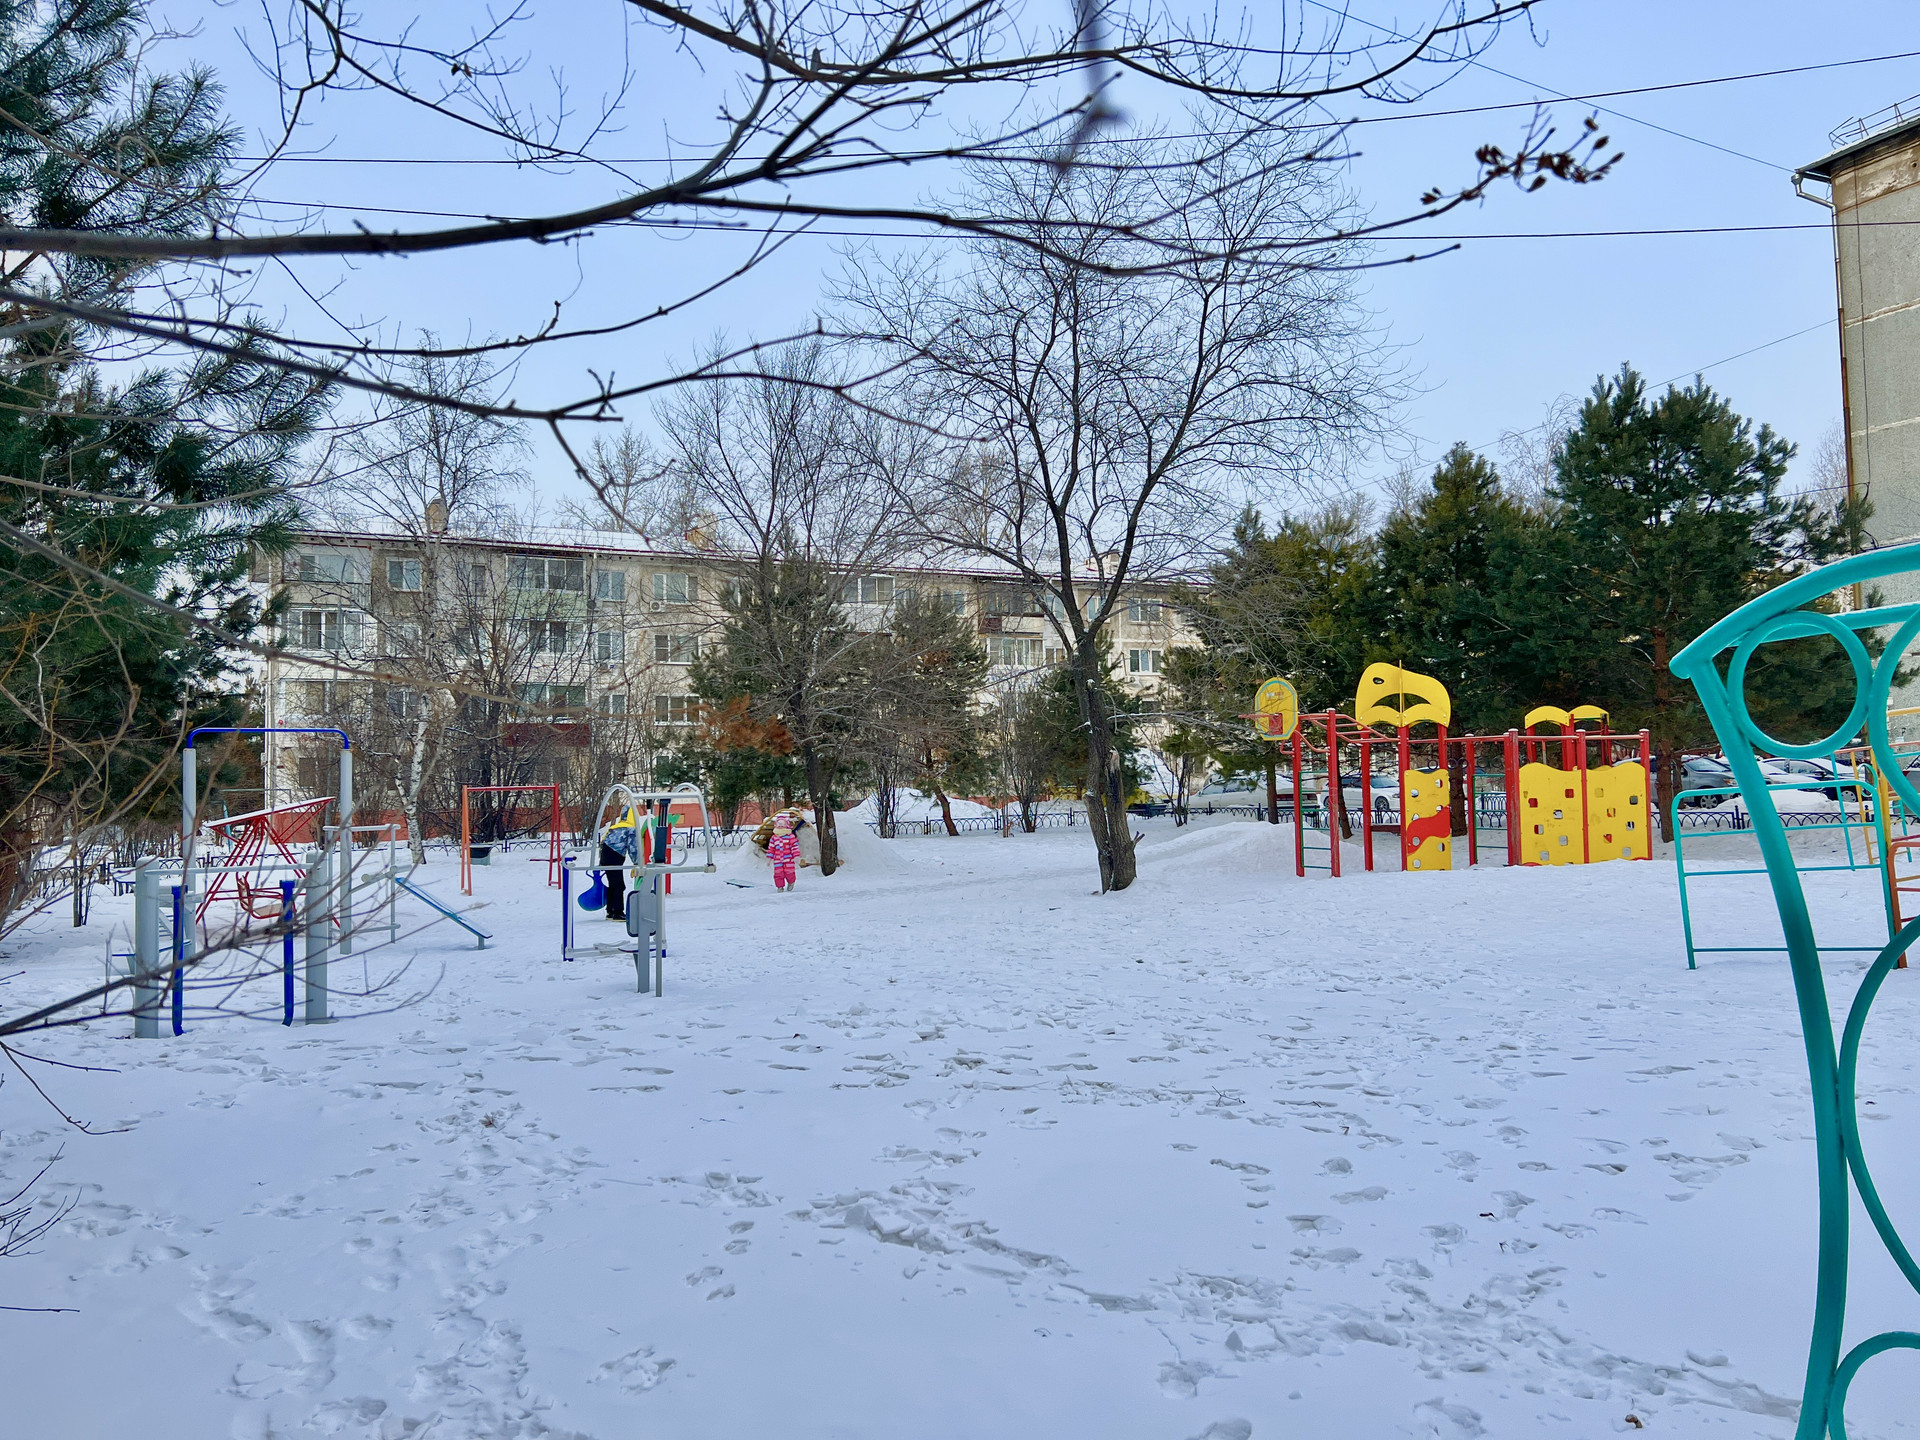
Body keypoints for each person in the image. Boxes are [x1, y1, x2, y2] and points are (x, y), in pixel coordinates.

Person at [600, 802, 641, 921]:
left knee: (613, 883)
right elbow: (633, 848)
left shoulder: (616, 827)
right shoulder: (630, 829)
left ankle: (610, 911)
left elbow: (604, 842)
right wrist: (637, 863)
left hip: (605, 855)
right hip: (614, 857)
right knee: (619, 885)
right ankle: (618, 912)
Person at [768, 811, 800, 893]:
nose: (781, 826)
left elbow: (794, 847)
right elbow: (771, 849)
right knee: (778, 874)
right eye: (779, 824)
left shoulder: (790, 836)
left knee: (789, 872)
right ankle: (780, 887)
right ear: (776, 825)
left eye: (783, 824)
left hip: (789, 859)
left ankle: (791, 882)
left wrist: (796, 856)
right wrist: (769, 858)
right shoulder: (774, 837)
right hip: (778, 860)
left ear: (786, 825)